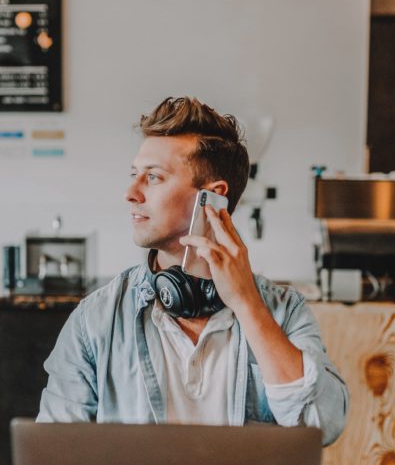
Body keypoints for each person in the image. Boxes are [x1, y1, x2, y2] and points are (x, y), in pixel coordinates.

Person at [37, 97, 348, 444]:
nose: (130, 193)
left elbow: (322, 426)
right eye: (133, 175)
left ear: (212, 198)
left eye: (153, 177)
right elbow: (56, 450)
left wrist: (248, 305)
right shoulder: (96, 319)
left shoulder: (284, 312)